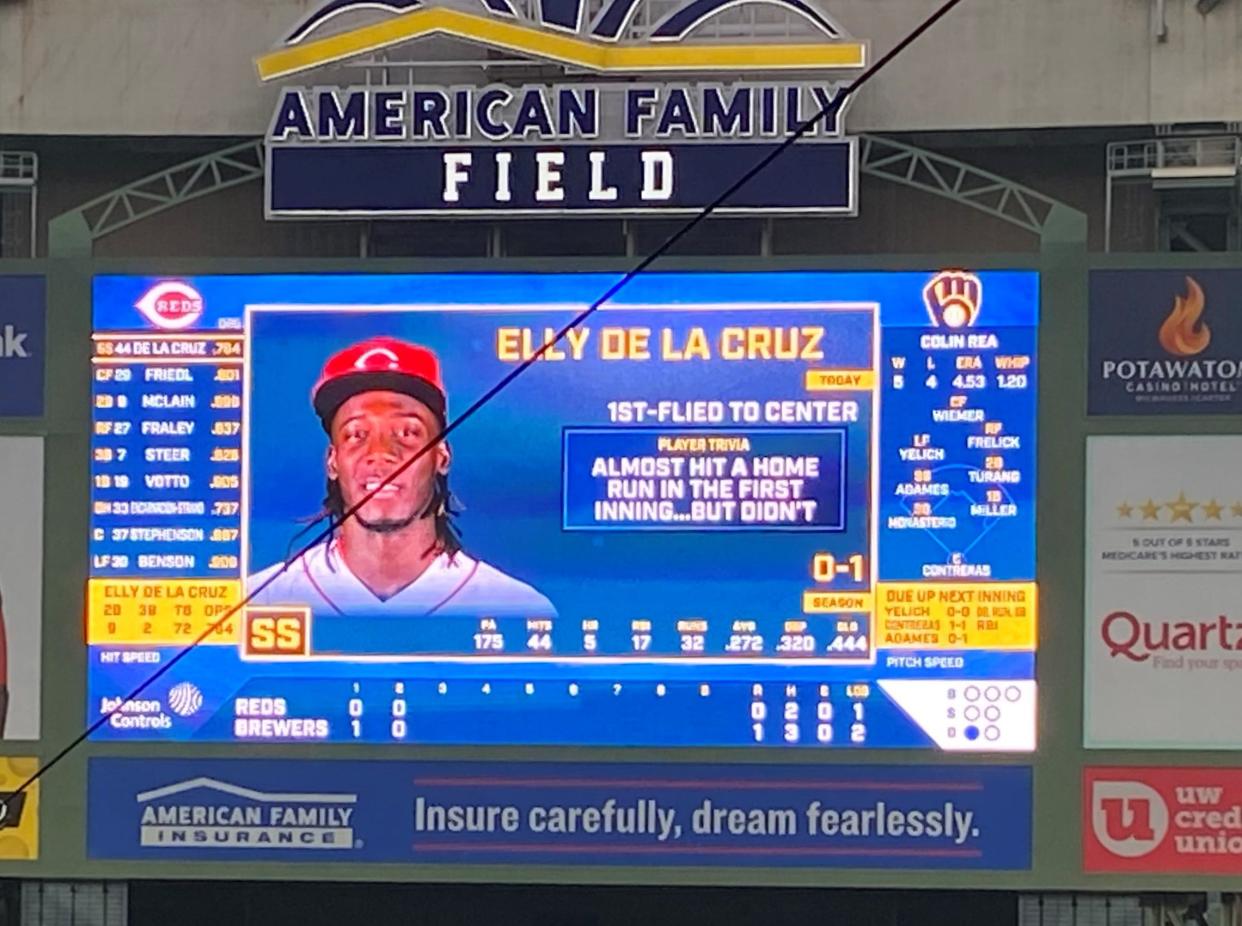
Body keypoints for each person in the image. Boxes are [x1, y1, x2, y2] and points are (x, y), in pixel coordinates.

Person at [247, 336, 556, 619]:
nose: (381, 452)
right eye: (357, 434)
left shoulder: (518, 608)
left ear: (442, 456)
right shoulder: (257, 602)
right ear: (332, 461)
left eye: (407, 432)